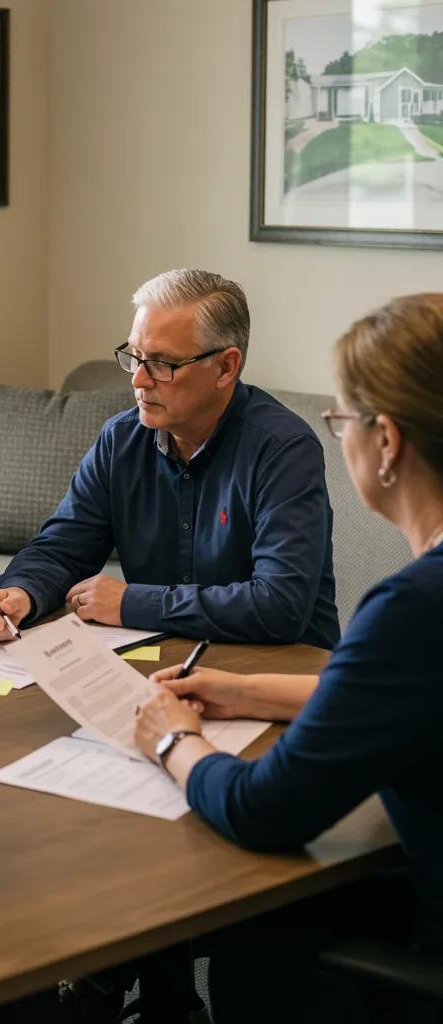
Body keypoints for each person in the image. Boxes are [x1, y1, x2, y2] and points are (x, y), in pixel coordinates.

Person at [134, 293, 443, 1022]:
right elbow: (404, 693)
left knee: (254, 922)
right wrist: (246, 693)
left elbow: (262, 811)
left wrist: (174, 740)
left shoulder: (412, 608)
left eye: (343, 421)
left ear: (386, 441)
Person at [0, 268, 339, 650]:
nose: (138, 380)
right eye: (136, 356)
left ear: (225, 367)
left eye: (162, 364)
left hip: (282, 669)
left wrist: (132, 602)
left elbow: (279, 606)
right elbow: (62, 548)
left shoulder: (283, 449)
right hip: (166, 658)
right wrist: (20, 592)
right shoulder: (121, 439)